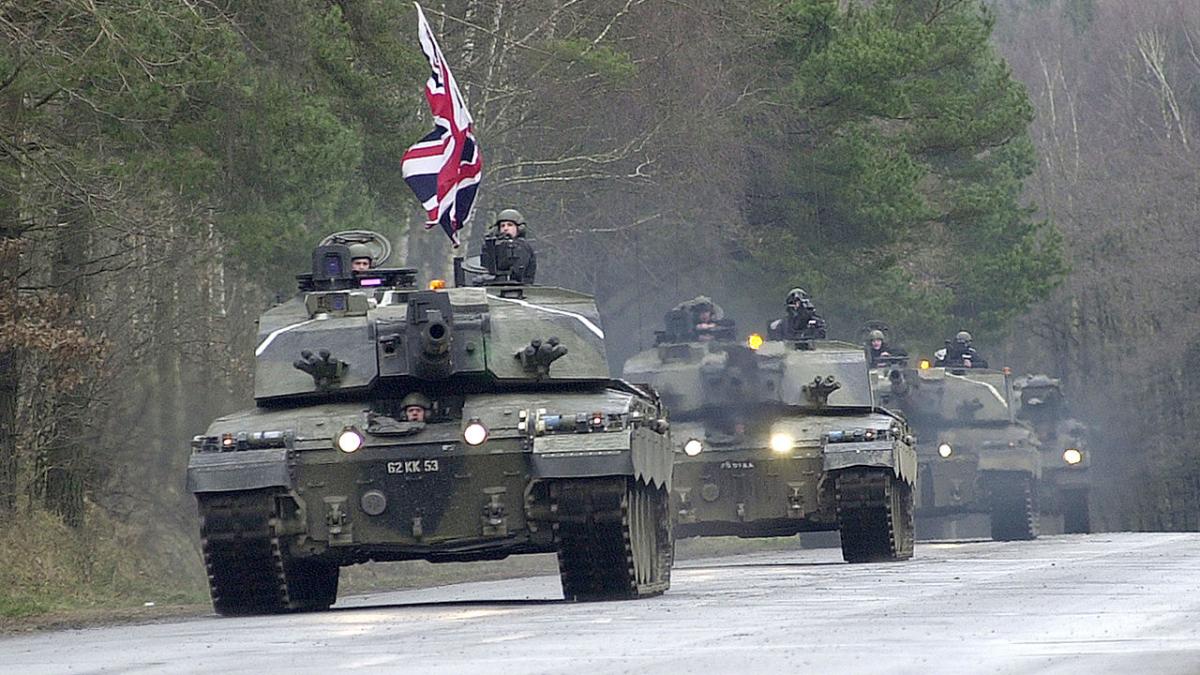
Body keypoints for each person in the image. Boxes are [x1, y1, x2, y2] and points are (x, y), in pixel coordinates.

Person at [494, 208, 537, 284]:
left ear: (519, 228)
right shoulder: (495, 246)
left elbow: (517, 272)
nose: (505, 229)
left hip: (520, 288)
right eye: (502, 226)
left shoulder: (523, 246)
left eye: (510, 225)